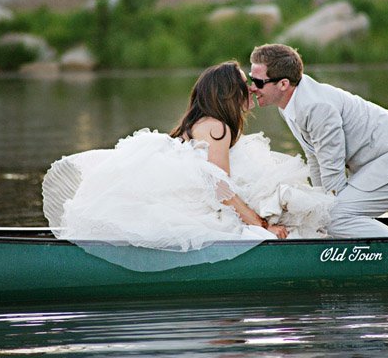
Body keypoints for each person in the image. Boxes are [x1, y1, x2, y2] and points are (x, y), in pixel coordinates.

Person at [42, 61, 334, 270]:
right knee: (261, 227)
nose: (251, 88)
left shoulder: (201, 122)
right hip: (192, 202)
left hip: (187, 191)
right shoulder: (218, 127)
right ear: (228, 93)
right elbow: (221, 189)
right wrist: (260, 224)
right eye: (244, 83)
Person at [249, 44, 388, 238]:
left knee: (335, 218)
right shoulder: (289, 103)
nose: (252, 88)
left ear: (283, 84)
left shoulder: (316, 107)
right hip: (382, 160)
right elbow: (314, 156)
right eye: (251, 78)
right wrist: (318, 201)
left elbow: (332, 168)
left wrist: (325, 211)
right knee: (327, 215)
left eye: (258, 82)